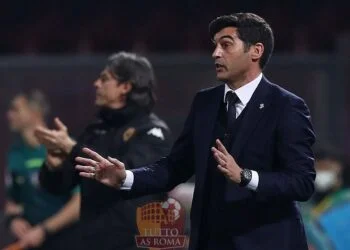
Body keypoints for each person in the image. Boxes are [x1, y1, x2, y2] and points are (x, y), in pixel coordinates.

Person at [76, 13, 316, 250]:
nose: (216, 53)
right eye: (215, 46)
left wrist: (245, 176)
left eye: (226, 45)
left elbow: (302, 182)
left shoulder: (286, 106)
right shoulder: (205, 103)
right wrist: (127, 177)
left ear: (256, 51)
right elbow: (176, 166)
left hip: (267, 242)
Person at [36, 52, 172, 250]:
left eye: (105, 79)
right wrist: (54, 167)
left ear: (125, 87)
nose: (96, 84)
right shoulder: (96, 130)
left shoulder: (153, 132)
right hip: (94, 242)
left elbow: (124, 178)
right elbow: (59, 187)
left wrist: (71, 148)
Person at [2, 90, 80, 250]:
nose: (9, 115)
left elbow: (80, 202)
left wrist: (44, 230)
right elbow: (13, 201)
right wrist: (13, 220)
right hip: (30, 243)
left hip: (67, 241)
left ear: (34, 112)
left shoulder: (64, 147)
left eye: (16, 109)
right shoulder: (14, 153)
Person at [301, 146, 350, 250]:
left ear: (339, 167)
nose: (320, 173)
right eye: (317, 168)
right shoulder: (305, 206)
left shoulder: (346, 202)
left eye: (326, 167)